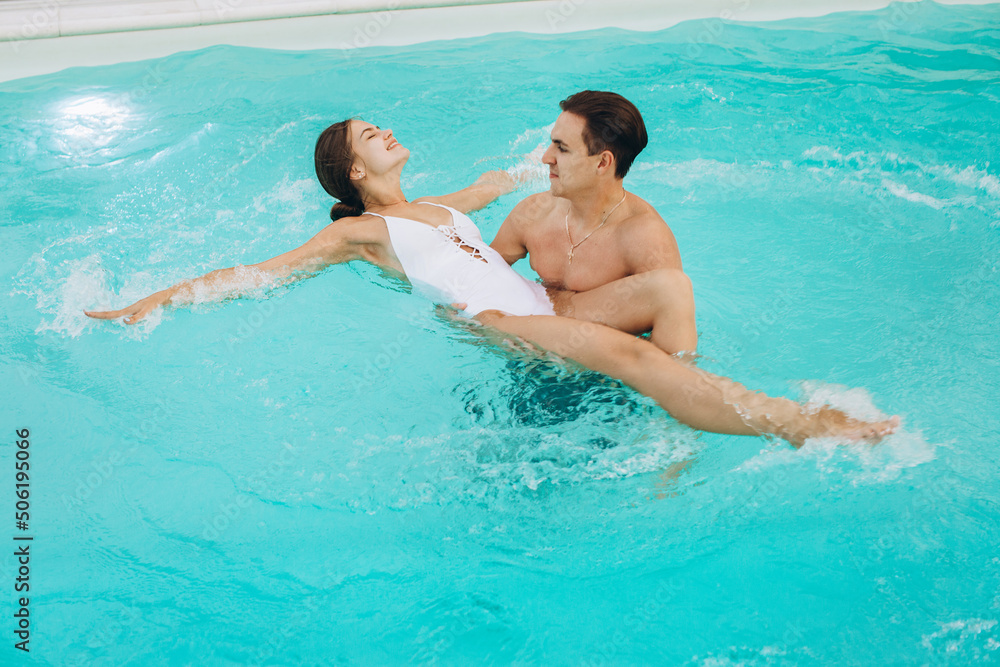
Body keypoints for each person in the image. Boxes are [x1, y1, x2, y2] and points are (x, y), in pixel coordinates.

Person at [85, 118, 899, 447]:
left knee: (667, 288)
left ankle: (679, 417)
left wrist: (578, 156)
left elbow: (517, 174)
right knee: (634, 361)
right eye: (374, 134)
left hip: (549, 306)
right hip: (501, 326)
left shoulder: (447, 200)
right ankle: (804, 424)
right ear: (357, 171)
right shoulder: (361, 231)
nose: (389, 131)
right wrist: (147, 304)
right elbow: (261, 273)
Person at [492, 90, 695, 355]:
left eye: (561, 148)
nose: (545, 157)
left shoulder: (645, 238)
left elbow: (671, 358)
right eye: (552, 143)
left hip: (599, 378)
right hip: (529, 352)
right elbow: (477, 273)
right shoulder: (534, 212)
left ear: (602, 163)